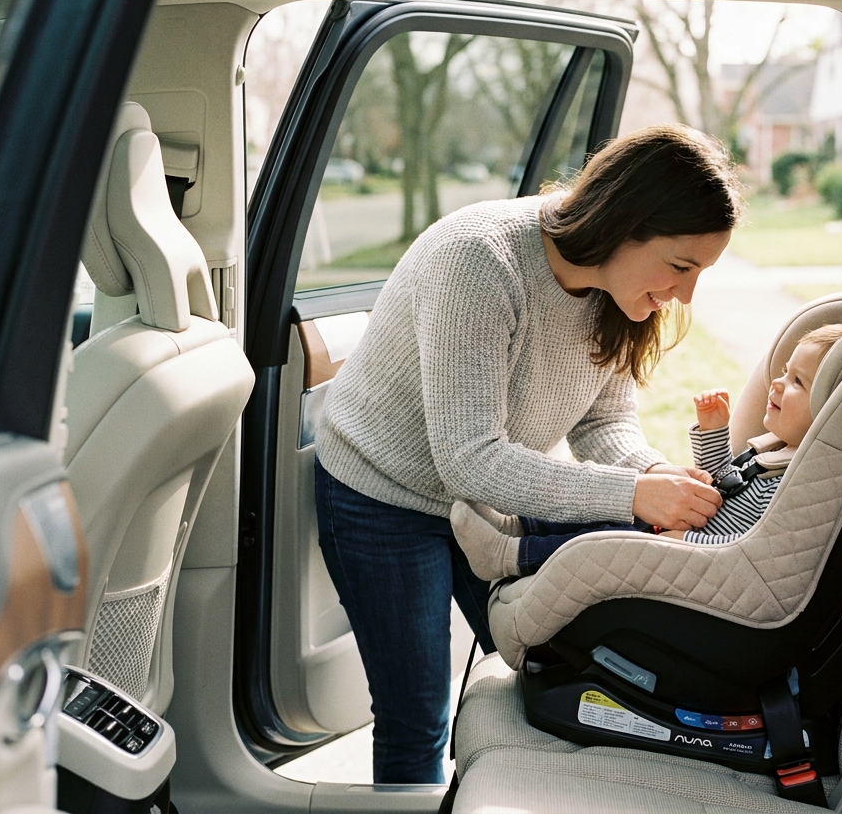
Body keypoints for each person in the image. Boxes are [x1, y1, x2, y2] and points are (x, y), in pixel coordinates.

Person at [314, 125, 740, 783]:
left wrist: (650, 471)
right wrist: (630, 497)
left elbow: (606, 421)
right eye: (681, 267)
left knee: (551, 671)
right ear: (625, 225)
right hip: (384, 495)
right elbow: (470, 457)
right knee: (418, 715)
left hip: (492, 502)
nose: (685, 296)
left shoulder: (624, 293)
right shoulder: (479, 262)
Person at [449, 324, 842, 578]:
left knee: (600, 545)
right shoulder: (772, 452)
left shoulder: (797, 483)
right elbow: (720, 486)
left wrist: (684, 541)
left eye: (798, 381)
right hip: (677, 533)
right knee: (605, 512)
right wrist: (714, 431)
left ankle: (510, 555)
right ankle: (519, 524)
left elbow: (751, 548)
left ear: (833, 412)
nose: (777, 384)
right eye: (782, 372)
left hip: (686, 557)